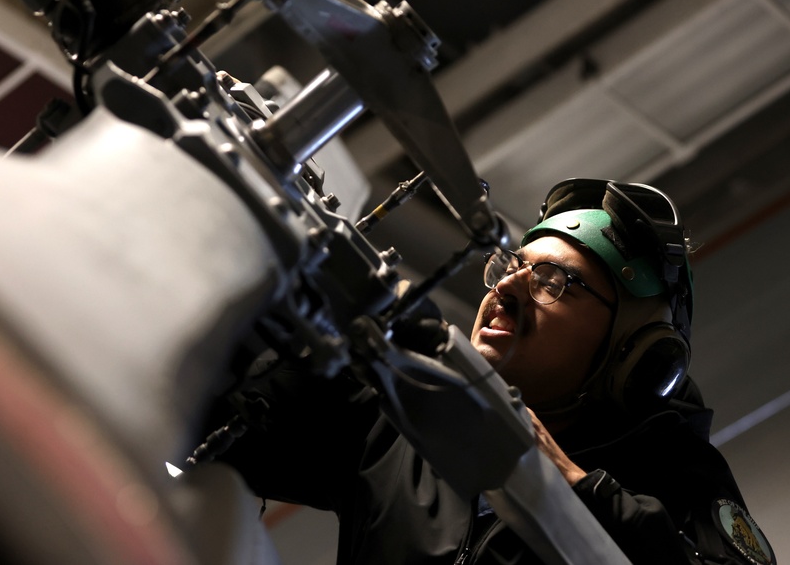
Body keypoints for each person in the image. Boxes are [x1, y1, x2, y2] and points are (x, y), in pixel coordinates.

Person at [212, 178, 776, 565]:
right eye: (512, 266)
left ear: (636, 357)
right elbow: (215, 417)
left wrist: (565, 485)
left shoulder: (679, 480)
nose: (506, 287)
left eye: (553, 282)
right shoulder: (401, 417)